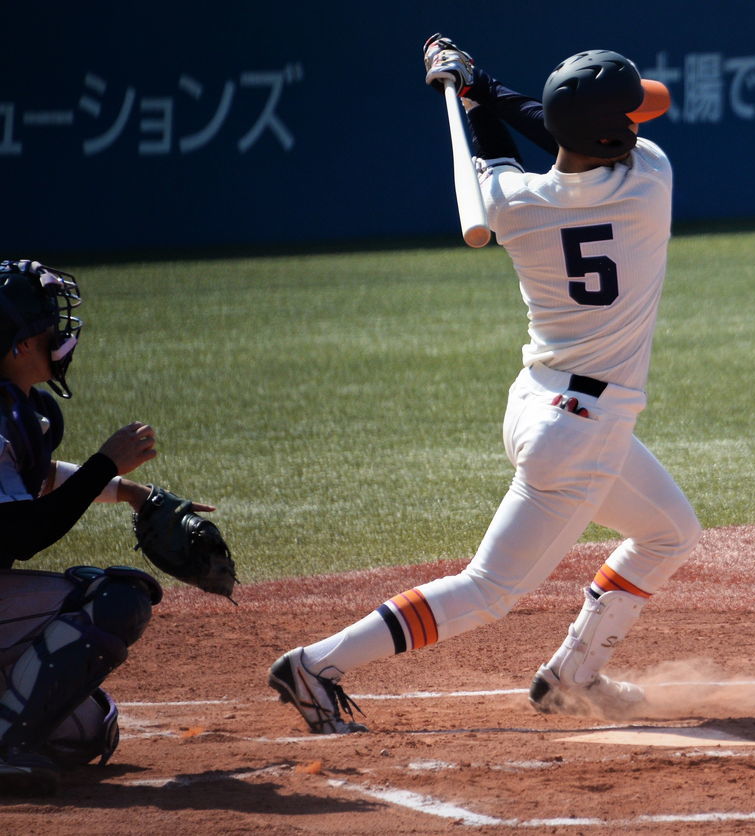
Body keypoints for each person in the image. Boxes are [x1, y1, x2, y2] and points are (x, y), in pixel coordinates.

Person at [268, 36, 701, 733]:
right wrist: (482, 88)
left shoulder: (512, 208)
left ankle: (572, 675)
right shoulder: (650, 180)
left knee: (670, 530)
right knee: (488, 590)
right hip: (579, 435)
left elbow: (513, 148)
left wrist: (471, 92)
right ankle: (315, 664)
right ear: (614, 135)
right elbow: (538, 124)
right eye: (630, 115)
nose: (640, 123)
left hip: (542, 403)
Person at [0, 259, 214, 795]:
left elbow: (39, 479)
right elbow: (21, 533)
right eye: (46, 322)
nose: (60, 332)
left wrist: (130, 493)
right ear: (20, 344)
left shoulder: (23, 409)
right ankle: (5, 747)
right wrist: (105, 464)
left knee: (85, 731)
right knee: (116, 600)